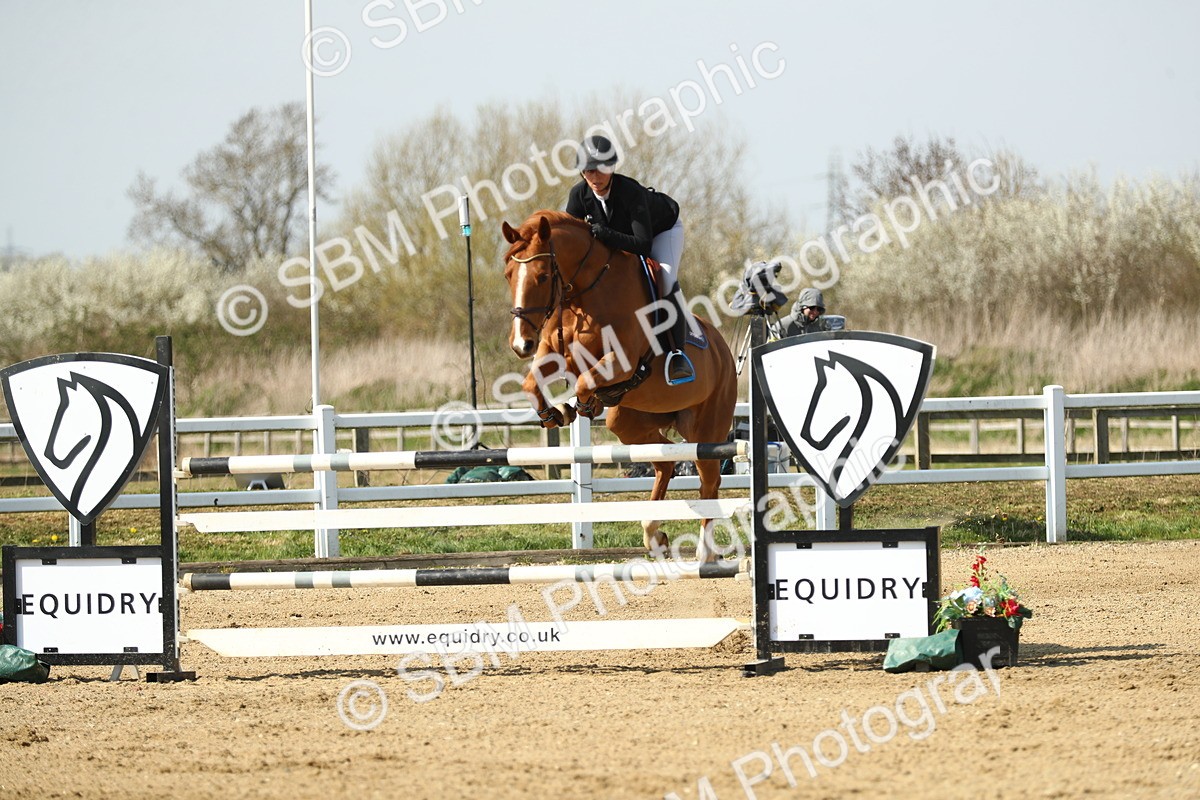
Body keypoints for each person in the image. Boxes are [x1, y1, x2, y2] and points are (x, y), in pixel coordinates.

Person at [564, 135, 696, 385]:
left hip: (662, 231)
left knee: (665, 277)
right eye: (589, 171)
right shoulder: (579, 196)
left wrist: (605, 234)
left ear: (612, 167)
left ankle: (678, 354)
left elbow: (643, 245)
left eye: (601, 169)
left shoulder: (630, 192)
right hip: (624, 238)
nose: (595, 177)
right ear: (582, 173)